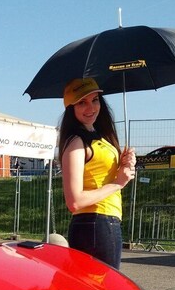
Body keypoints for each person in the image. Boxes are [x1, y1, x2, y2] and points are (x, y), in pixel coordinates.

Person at [58, 77, 136, 269]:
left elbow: (102, 174)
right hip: (95, 222)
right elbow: (74, 201)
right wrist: (117, 183)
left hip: (102, 223)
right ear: (71, 108)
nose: (91, 108)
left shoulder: (99, 137)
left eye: (95, 100)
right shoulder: (77, 142)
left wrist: (124, 163)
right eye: (82, 102)